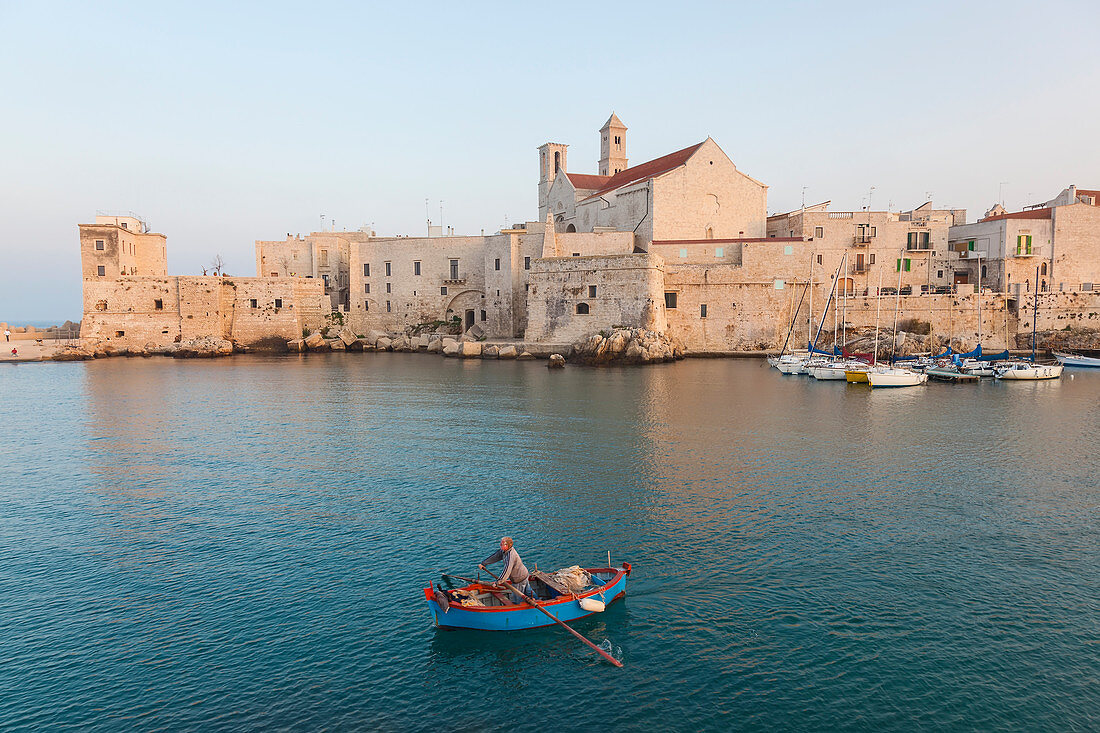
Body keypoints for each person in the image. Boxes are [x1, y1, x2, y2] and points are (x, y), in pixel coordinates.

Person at [479, 536, 532, 604]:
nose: (500, 545)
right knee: (528, 591)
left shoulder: (511, 556)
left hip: (519, 578)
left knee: (517, 599)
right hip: (524, 574)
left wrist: (498, 582)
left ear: (507, 545)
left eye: (501, 544)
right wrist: (484, 563)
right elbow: (495, 556)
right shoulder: (504, 551)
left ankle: (517, 610)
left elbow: (507, 570)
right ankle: (538, 600)